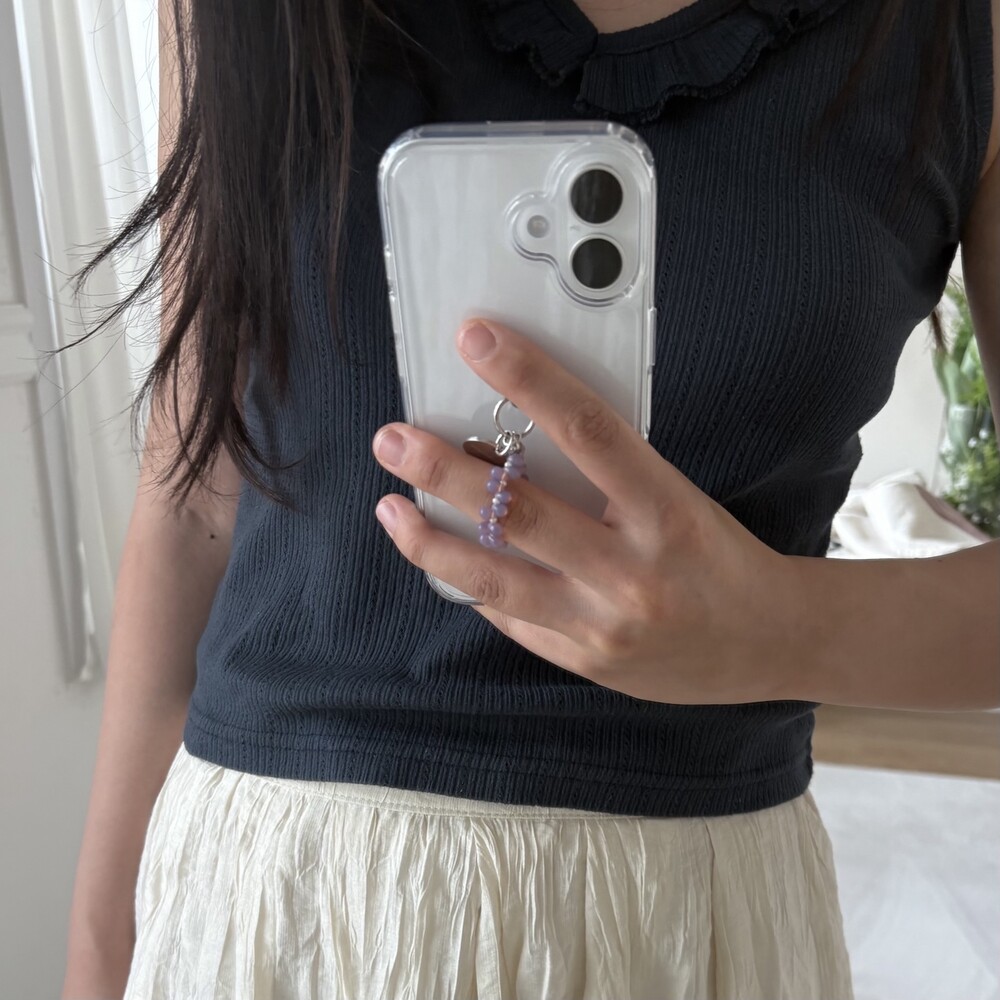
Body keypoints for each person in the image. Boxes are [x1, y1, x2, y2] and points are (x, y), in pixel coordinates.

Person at [61, 0, 999, 997]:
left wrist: (777, 625)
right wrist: (99, 952)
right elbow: (193, 501)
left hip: (685, 921)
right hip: (283, 908)